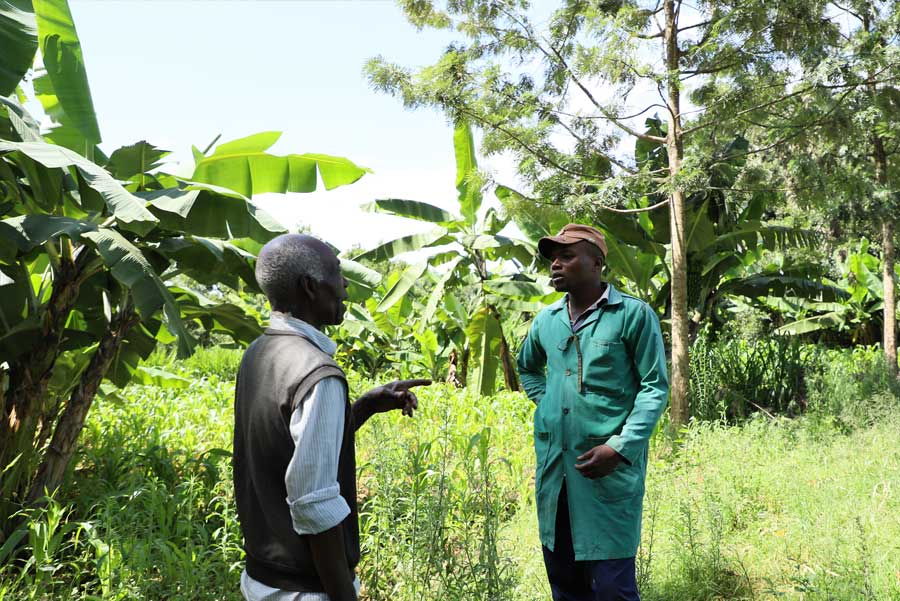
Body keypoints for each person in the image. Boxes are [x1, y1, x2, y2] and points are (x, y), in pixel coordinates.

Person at [233, 233, 430, 601]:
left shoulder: (258, 353)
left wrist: (365, 406)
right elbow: (314, 504)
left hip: (261, 580)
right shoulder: (318, 373)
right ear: (309, 286)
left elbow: (287, 448)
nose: (345, 289)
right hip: (305, 589)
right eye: (339, 275)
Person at [516, 223, 669, 601]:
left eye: (567, 256)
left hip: (607, 479)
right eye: (553, 257)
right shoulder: (546, 322)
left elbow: (654, 388)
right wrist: (549, 400)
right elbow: (527, 368)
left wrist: (619, 448)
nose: (556, 264)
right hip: (556, 478)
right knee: (566, 588)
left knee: (612, 589)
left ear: (597, 262)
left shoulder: (632, 315)